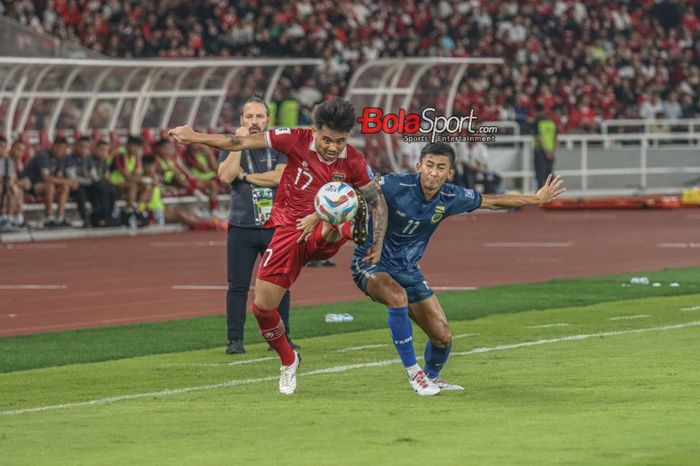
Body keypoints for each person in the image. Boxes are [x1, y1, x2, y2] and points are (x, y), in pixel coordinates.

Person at [169, 97, 389, 395]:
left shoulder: (354, 161)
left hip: (322, 229)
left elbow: (377, 200)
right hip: (287, 230)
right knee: (262, 309)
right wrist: (194, 137)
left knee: (337, 205)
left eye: (341, 140)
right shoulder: (293, 138)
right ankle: (288, 359)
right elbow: (237, 143)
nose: (334, 147)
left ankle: (344, 225)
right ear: (313, 129)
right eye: (327, 139)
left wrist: (377, 240)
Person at [351, 142, 565, 396]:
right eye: (429, 165)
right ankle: (415, 375)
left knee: (442, 337)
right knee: (397, 297)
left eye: (441, 167)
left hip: (408, 270)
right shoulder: (395, 185)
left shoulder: (450, 197)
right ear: (419, 166)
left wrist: (536, 199)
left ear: (450, 173)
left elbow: (492, 202)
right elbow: (356, 195)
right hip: (371, 264)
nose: (433, 172)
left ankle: (431, 376)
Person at [216, 95, 297, 355]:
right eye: (249, 117)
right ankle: (235, 340)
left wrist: (247, 177)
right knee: (237, 286)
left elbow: (280, 178)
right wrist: (238, 144)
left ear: (268, 120)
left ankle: (281, 339)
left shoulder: (279, 145)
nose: (254, 121)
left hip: (275, 226)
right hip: (242, 227)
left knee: (280, 284)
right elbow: (227, 176)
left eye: (259, 116)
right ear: (241, 120)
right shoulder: (231, 144)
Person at [19, 136, 78, 228]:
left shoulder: (60, 159)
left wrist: (68, 182)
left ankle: (60, 218)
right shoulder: (43, 156)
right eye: (60, 148)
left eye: (64, 149)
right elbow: (46, 178)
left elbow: (60, 176)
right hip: (31, 185)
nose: (62, 151)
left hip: (47, 186)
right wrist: (67, 181)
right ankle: (48, 218)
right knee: (49, 186)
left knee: (64, 188)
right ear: (54, 146)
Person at [532, 104, 558, 189]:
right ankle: (549, 193)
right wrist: (552, 152)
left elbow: (538, 137)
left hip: (541, 151)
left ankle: (541, 194)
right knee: (549, 173)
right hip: (550, 152)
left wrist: (546, 151)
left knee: (540, 174)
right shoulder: (552, 124)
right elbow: (555, 139)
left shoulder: (538, 123)